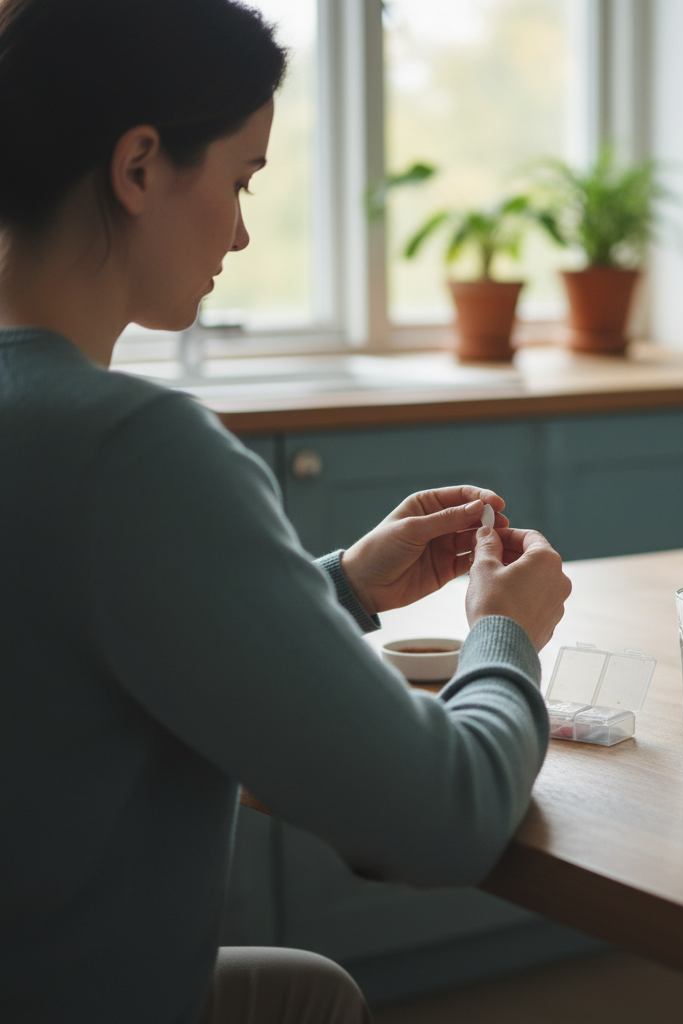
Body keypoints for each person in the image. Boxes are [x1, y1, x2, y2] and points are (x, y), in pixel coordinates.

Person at [0, 2, 572, 1023]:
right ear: (138, 167)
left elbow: (65, 642)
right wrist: (504, 633)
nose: (245, 227)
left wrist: (340, 583)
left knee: (311, 995)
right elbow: (435, 820)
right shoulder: (135, 451)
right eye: (239, 179)